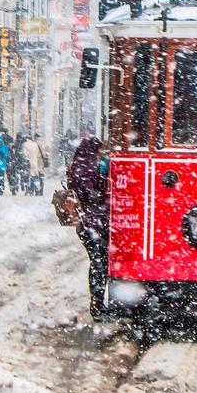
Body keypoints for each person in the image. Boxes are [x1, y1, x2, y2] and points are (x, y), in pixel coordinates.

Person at [67, 136, 108, 317]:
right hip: (92, 223)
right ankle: (97, 303)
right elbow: (92, 195)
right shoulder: (87, 170)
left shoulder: (78, 166)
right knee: (100, 262)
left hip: (87, 224)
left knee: (98, 262)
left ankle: (97, 301)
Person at [1, 130, 21, 196]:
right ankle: (13, 188)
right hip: (11, 159)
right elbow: (15, 150)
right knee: (11, 175)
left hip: (4, 160)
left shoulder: (0, 139)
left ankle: (1, 188)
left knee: (2, 175)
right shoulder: (10, 139)